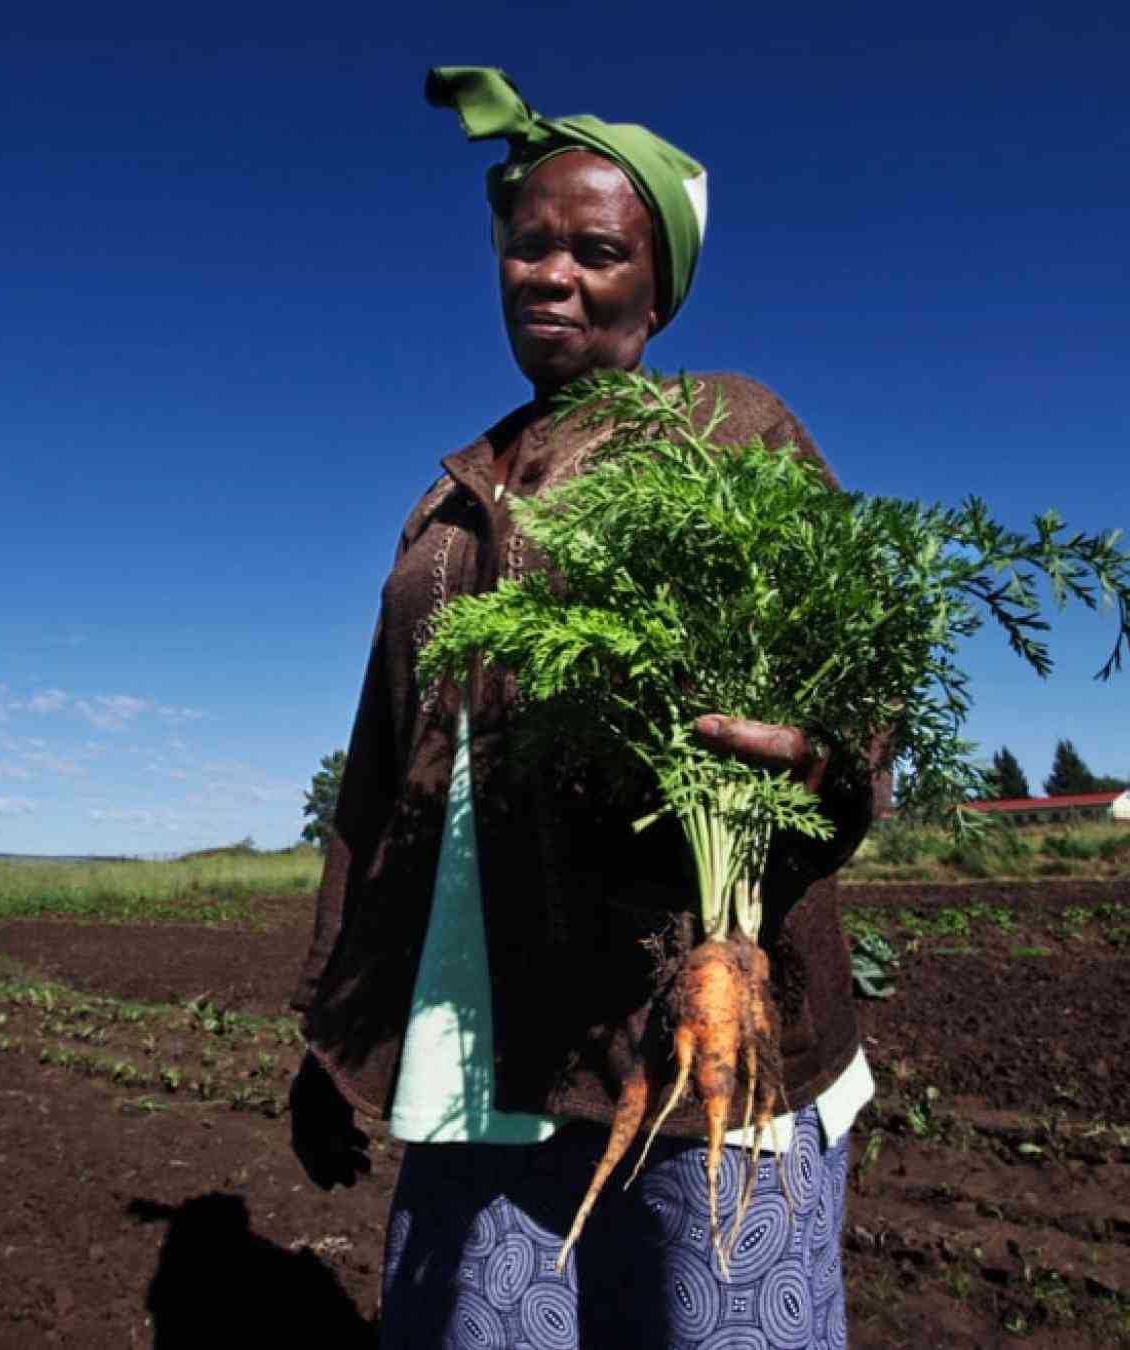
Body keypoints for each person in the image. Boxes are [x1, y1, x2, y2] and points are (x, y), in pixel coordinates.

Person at [290, 67, 877, 1350]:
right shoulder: (446, 505)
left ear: (654, 290)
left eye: (595, 250)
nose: (549, 273)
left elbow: (856, 684)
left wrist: (822, 762)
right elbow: (377, 784)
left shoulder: (729, 430)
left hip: (693, 1050)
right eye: (526, 243)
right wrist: (334, 1031)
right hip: (476, 1057)